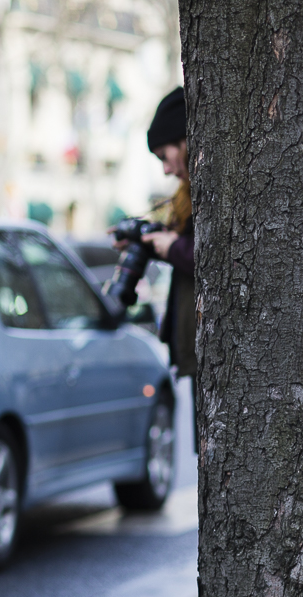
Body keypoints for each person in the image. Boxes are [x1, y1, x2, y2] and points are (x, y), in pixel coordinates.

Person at [143, 86, 196, 378]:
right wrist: (148, 242)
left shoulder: (204, 193)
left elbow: (210, 256)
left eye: (165, 155)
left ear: (184, 141)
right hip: (192, 351)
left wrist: (173, 248)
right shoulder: (186, 195)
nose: (165, 169)